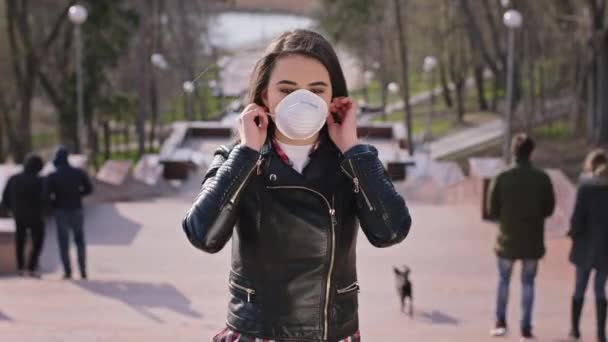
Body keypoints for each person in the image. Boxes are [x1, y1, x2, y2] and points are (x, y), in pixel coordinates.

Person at [182, 30, 412, 342]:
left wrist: (353, 150)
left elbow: (392, 231)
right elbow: (202, 234)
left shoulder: (353, 161)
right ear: (265, 95)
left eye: (316, 90)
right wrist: (247, 153)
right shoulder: (239, 158)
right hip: (259, 333)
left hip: (331, 332)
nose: (302, 101)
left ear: (333, 97)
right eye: (287, 89)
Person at [486, 133, 555, 340]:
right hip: (532, 240)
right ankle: (525, 326)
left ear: (514, 152)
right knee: (528, 283)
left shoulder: (502, 176)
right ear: (531, 152)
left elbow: (492, 209)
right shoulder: (542, 178)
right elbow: (549, 209)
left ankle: (500, 321)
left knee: (503, 281)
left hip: (507, 239)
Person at [568, 149, 608, 342]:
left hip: (585, 246)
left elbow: (577, 219)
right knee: (600, 289)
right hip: (605, 250)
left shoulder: (585, 189)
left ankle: (575, 329)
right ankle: (601, 333)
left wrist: (573, 233)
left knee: (579, 288)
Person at [46, 147, 93, 280]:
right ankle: (83, 270)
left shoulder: (53, 176)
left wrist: (54, 205)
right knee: (79, 240)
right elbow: (89, 189)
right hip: (76, 209)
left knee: (63, 242)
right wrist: (78, 195)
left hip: (61, 211)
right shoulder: (78, 172)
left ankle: (68, 271)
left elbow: (46, 196)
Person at [1, 154, 46, 278]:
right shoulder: (40, 180)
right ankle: (31, 267)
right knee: (38, 242)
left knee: (20, 241)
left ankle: (20, 268)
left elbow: (5, 198)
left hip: (19, 215)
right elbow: (46, 198)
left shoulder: (14, 179)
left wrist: (11, 210)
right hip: (36, 216)